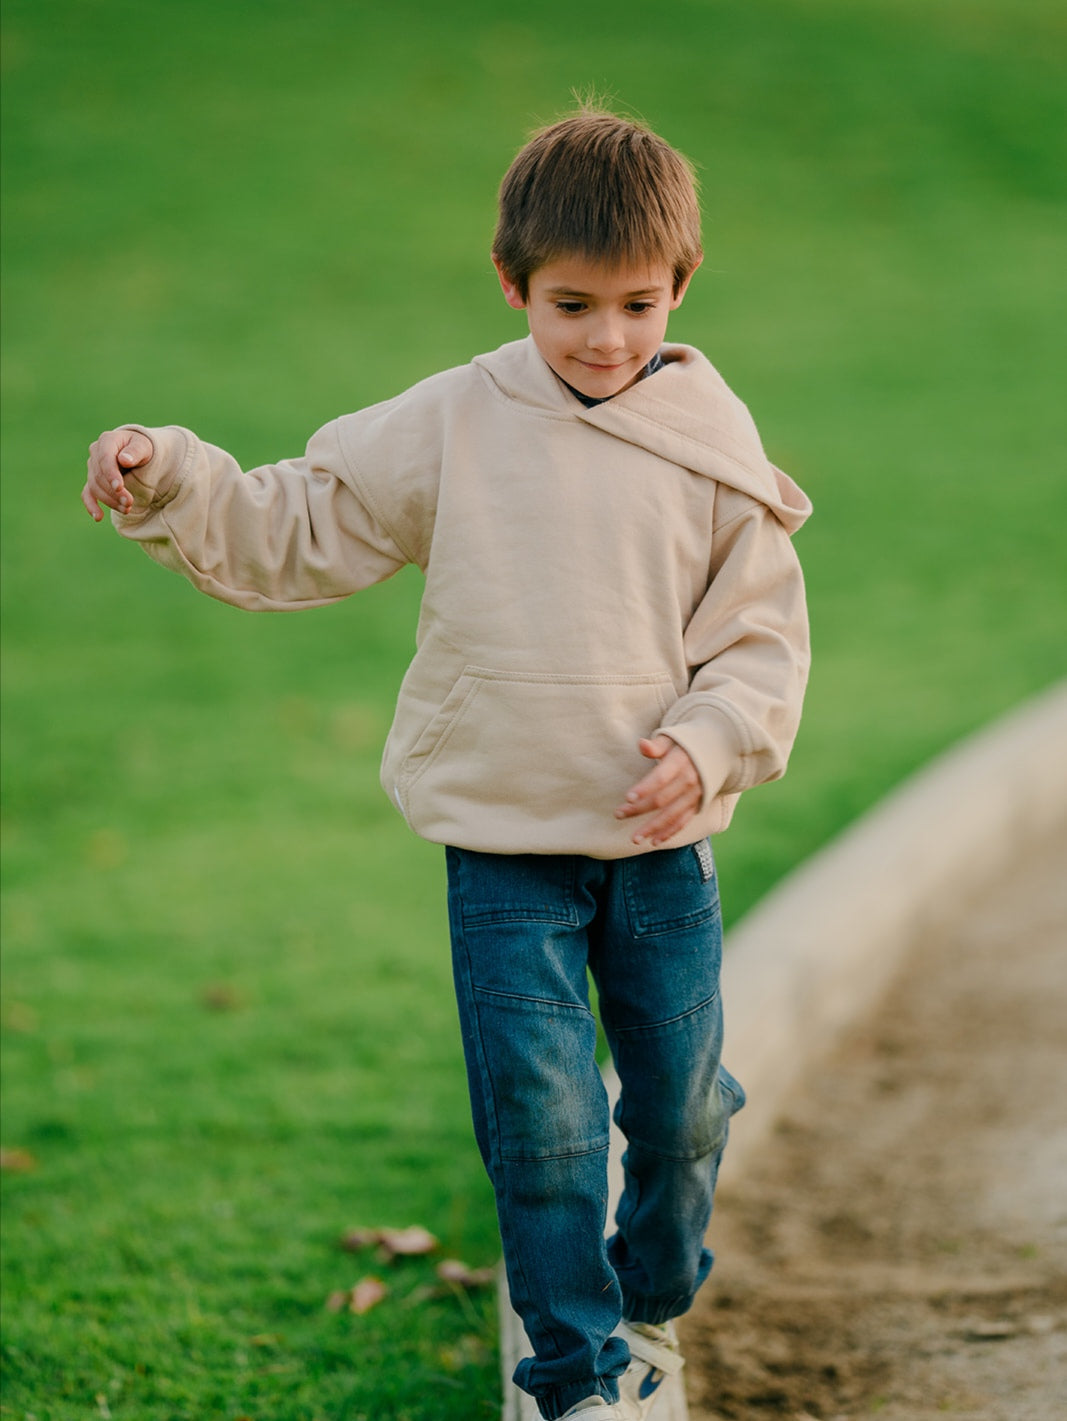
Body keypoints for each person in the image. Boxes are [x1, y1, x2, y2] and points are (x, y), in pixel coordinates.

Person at [82, 106, 811, 1421]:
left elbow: (760, 635)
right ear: (512, 284)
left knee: (685, 1109)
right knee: (543, 1131)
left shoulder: (712, 437)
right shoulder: (454, 422)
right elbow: (300, 517)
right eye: (571, 303)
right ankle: (574, 1375)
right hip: (506, 847)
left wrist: (709, 745)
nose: (604, 337)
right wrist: (169, 477)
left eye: (637, 305)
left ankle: (649, 1300)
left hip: (659, 855)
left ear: (680, 288)